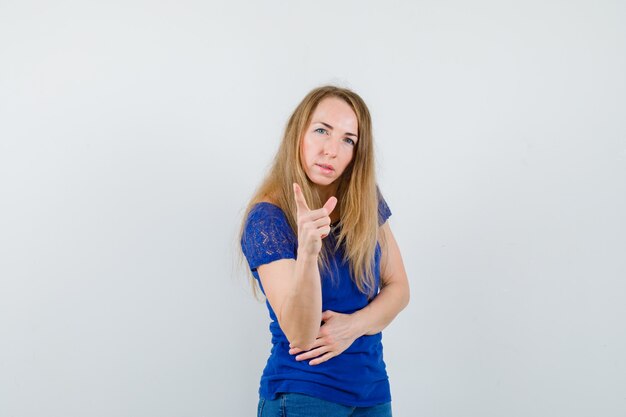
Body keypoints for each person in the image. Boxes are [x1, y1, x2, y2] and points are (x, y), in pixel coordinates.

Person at [239, 85, 410, 417]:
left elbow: (399, 288)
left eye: (348, 140)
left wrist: (355, 325)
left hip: (372, 393)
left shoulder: (364, 199)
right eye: (322, 131)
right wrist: (308, 254)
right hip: (304, 395)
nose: (332, 150)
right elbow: (301, 335)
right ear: (298, 134)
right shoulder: (268, 219)